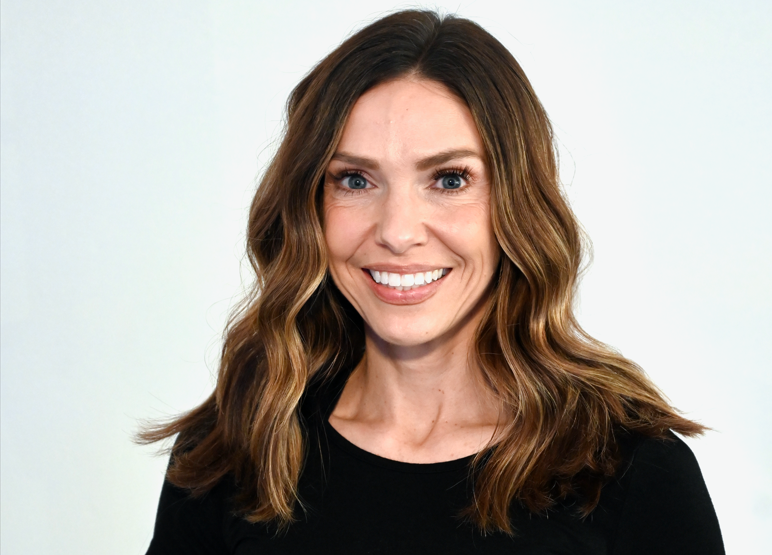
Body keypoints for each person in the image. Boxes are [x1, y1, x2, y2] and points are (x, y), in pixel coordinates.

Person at [141, 9, 724, 554]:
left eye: (449, 179)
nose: (397, 232)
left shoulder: (629, 471)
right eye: (355, 180)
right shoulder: (234, 451)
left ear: (516, 203)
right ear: (309, 206)